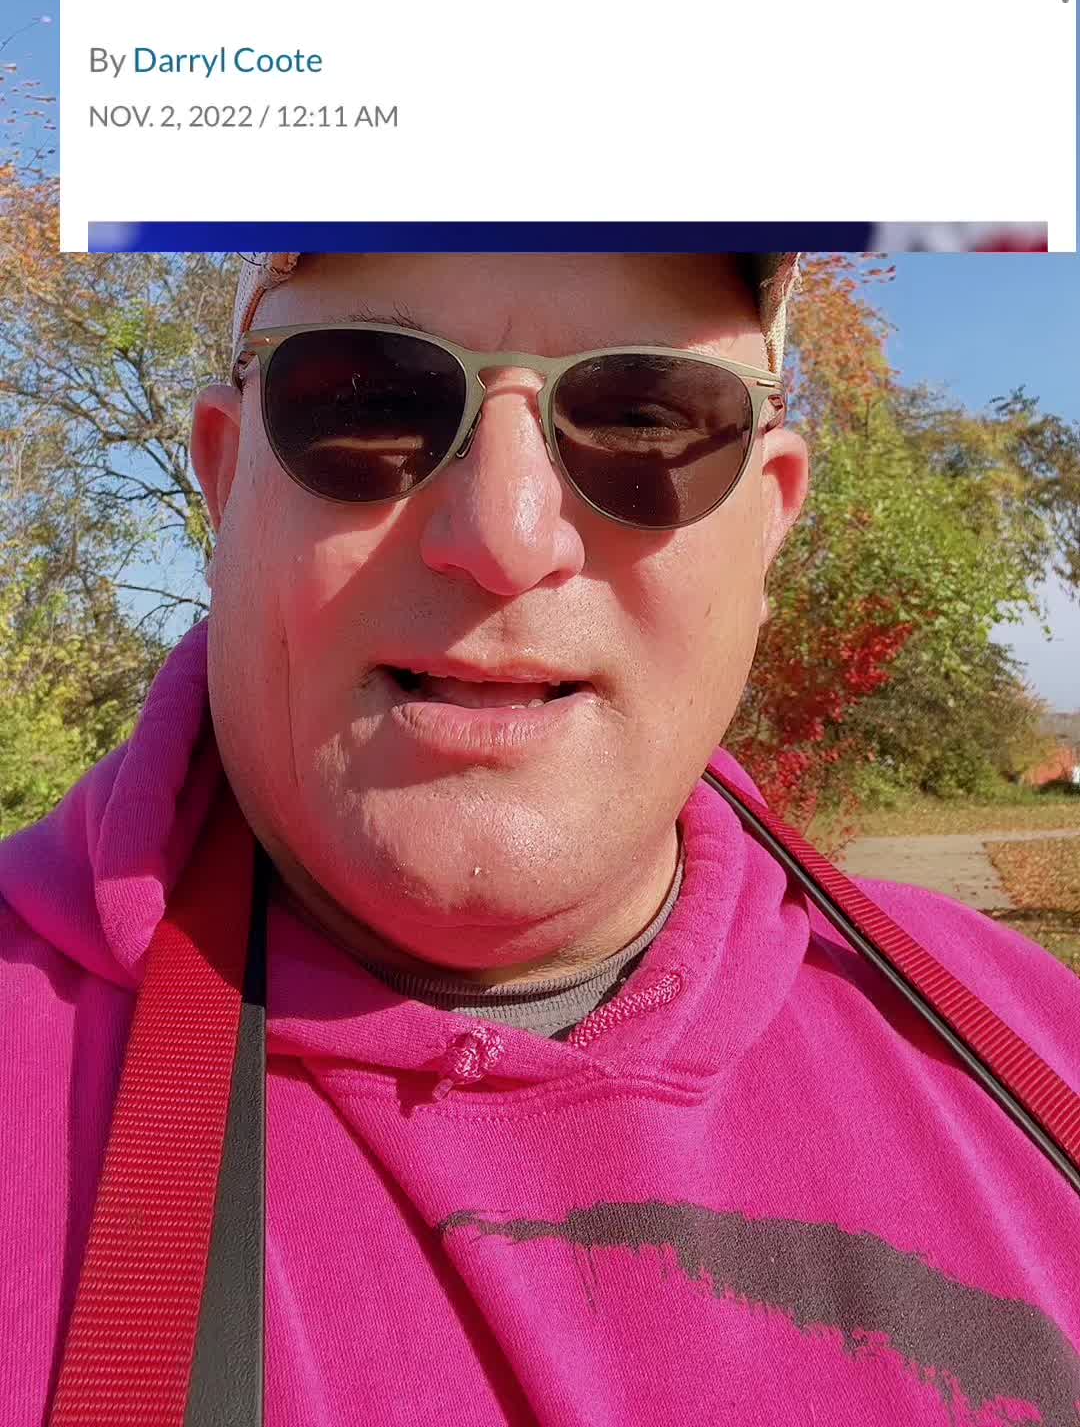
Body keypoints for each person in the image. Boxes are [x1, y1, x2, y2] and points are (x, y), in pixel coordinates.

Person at [1, 249, 1077, 1427]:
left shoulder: (1042, 1039)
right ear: (224, 479)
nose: (507, 537)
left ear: (768, 524)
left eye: (647, 420)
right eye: (371, 400)